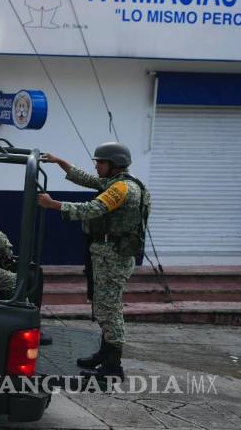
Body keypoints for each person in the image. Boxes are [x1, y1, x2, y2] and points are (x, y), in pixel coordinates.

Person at [38, 142, 149, 380]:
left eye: (100, 162)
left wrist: (53, 205)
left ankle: (113, 367)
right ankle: (105, 353)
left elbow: (92, 209)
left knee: (109, 310)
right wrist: (60, 162)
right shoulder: (116, 182)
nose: (97, 166)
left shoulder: (122, 189)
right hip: (108, 255)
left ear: (114, 165)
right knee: (103, 306)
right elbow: (87, 179)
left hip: (114, 258)